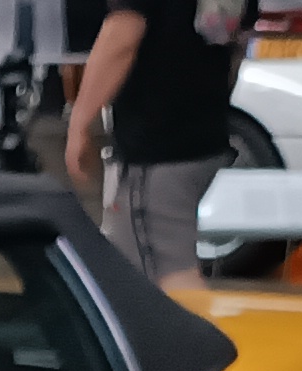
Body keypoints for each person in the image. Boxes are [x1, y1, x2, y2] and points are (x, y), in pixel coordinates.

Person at [66, 0, 257, 291]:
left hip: (156, 148)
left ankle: (186, 324)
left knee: (166, 277)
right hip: (204, 137)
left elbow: (122, 36)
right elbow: (236, 43)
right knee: (131, 269)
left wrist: (80, 121)